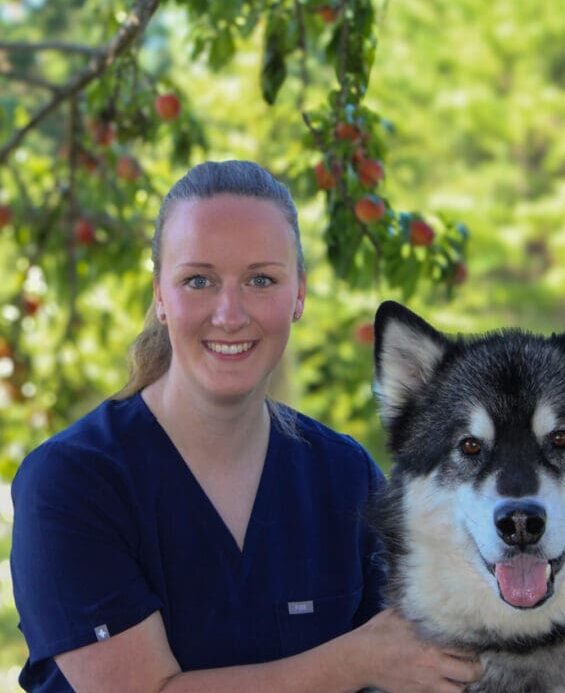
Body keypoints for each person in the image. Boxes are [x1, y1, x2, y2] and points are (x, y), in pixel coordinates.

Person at [11, 160, 481, 692]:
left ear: (299, 293)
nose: (230, 314)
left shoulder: (344, 475)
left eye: (261, 279)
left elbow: (419, 654)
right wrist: (352, 662)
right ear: (160, 297)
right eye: (198, 280)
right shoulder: (72, 482)